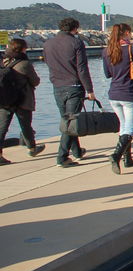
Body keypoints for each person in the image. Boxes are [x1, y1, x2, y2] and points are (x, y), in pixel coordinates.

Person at [43, 17, 95, 167]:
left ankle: (77, 151)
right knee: (70, 122)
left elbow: (47, 62)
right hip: (74, 86)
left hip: (57, 86)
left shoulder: (48, 43)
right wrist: (89, 89)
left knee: (67, 119)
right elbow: (82, 68)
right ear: (75, 28)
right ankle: (62, 156)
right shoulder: (76, 42)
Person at [102, 23, 133, 174]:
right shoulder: (131, 49)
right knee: (130, 128)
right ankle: (117, 155)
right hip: (129, 92)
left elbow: (107, 74)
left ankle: (128, 158)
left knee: (123, 126)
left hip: (114, 93)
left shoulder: (107, 51)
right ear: (126, 33)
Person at [0, 39, 46, 164]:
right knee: (26, 125)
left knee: (2, 127)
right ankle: (32, 148)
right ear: (22, 49)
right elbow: (35, 81)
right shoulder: (24, 64)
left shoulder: (3, 61)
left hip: (5, 99)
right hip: (23, 99)